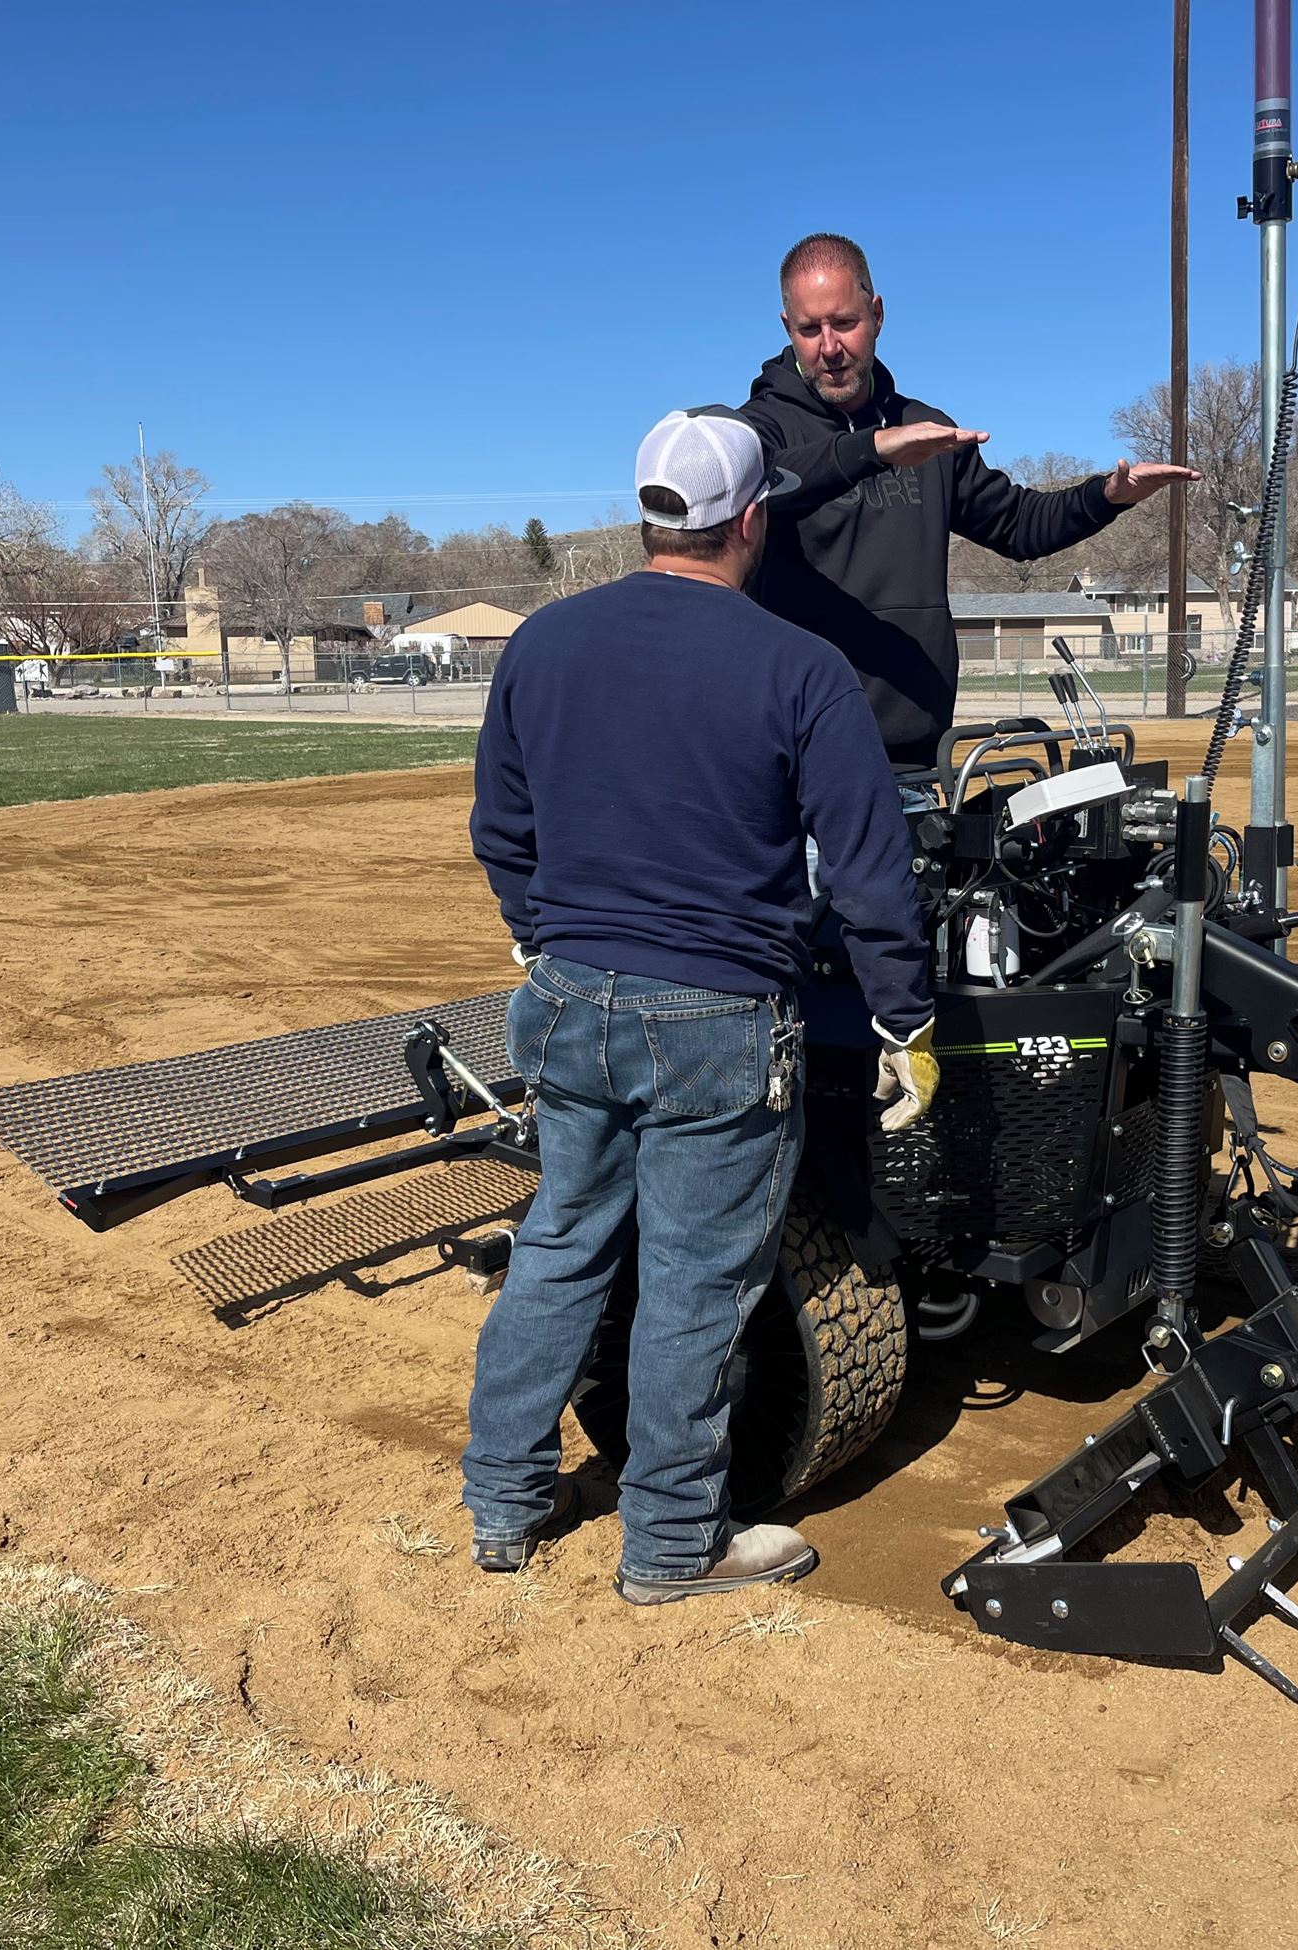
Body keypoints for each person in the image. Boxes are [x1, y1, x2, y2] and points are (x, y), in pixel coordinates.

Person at [462, 406, 940, 1605]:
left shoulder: (544, 644)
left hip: (569, 999)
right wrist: (903, 1021)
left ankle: (503, 1503)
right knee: (693, 1283)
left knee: (564, 1244)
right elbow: (871, 869)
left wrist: (541, 936)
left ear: (648, 517)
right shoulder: (794, 665)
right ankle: (674, 1543)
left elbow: (502, 830)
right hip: (717, 1019)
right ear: (754, 520)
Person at [740, 232, 1201, 764]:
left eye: (844, 323)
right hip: (796, 749)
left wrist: (1107, 496)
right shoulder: (760, 430)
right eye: (809, 329)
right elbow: (761, 481)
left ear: (877, 314)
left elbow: (1019, 526)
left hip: (917, 750)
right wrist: (871, 449)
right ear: (786, 329)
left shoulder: (926, 431)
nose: (829, 347)